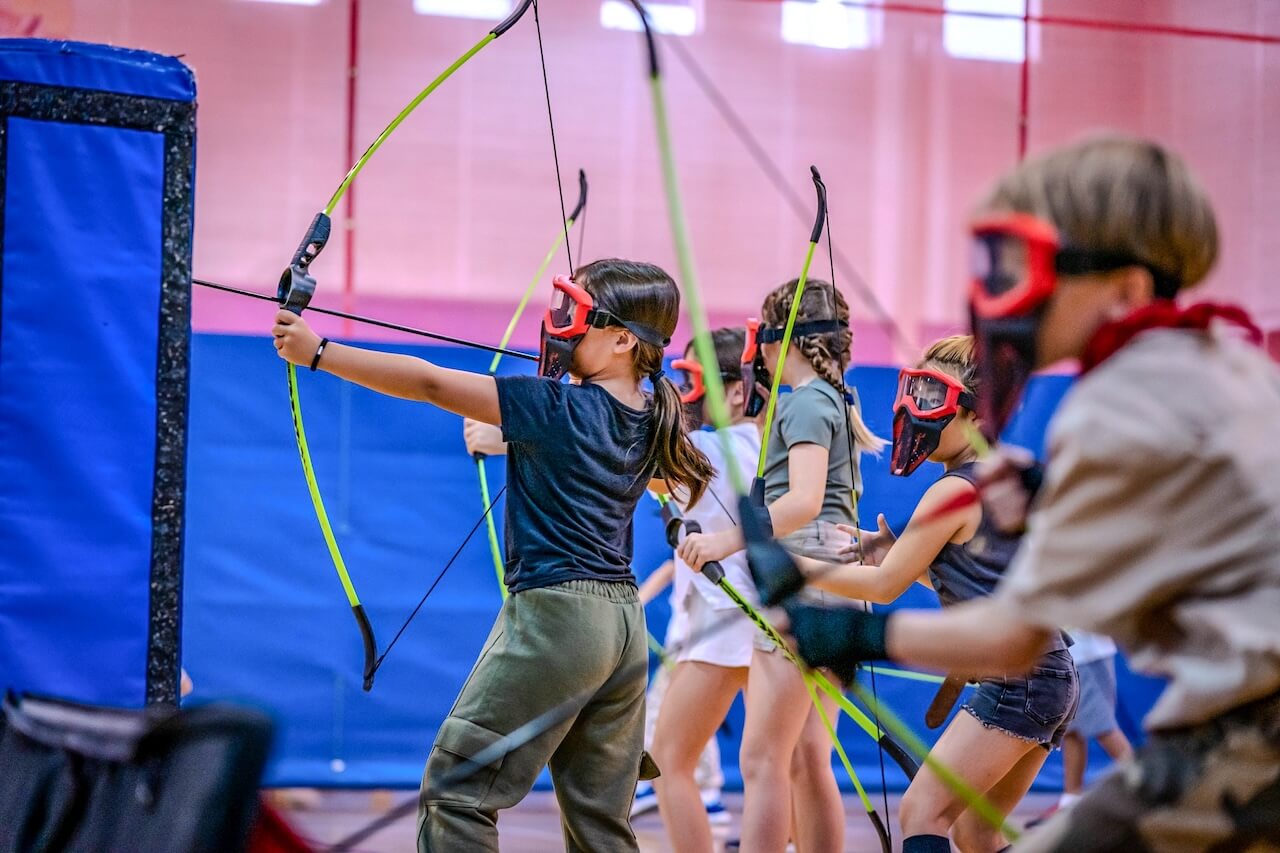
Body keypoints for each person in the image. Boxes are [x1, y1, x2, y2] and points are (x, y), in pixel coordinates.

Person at [781, 135, 1280, 852]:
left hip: (1247, 745)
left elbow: (1012, 640)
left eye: (1031, 269)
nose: (1006, 295)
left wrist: (849, 628)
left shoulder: (1118, 400)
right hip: (1230, 725)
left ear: (1129, 289)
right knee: (984, 836)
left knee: (938, 818)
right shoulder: (1223, 363)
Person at [273, 258, 714, 853]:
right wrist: (513, 434)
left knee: (457, 792)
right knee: (600, 823)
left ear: (621, 340)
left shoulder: (556, 408)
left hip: (560, 621)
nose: (560, 327)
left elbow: (430, 383)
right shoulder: (650, 414)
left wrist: (318, 351)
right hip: (622, 628)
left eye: (576, 316)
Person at [792, 335, 1078, 853]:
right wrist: (899, 555)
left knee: (922, 811)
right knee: (976, 830)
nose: (910, 409)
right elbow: (979, 579)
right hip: (1047, 675)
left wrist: (798, 570)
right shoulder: (993, 479)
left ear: (973, 411)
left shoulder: (952, 489)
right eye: (912, 393)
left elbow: (883, 588)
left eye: (929, 398)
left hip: (1021, 679)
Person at [679, 280, 885, 853]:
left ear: (780, 339)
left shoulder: (805, 401)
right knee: (806, 758)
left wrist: (725, 541)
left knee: (762, 758)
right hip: (837, 584)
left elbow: (804, 502)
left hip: (811, 586)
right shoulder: (831, 397)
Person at [647, 327, 760, 852]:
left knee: (669, 759)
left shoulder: (715, 447)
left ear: (738, 389)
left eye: (695, 380)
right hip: (751, 622)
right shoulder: (760, 441)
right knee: (792, 765)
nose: (685, 391)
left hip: (726, 622)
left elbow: (629, 459)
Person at [1031, 630, 1132, 826]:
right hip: (1074, 653)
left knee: (1103, 728)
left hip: (1084, 653)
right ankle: (1070, 802)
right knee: (1072, 730)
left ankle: (1152, 788)